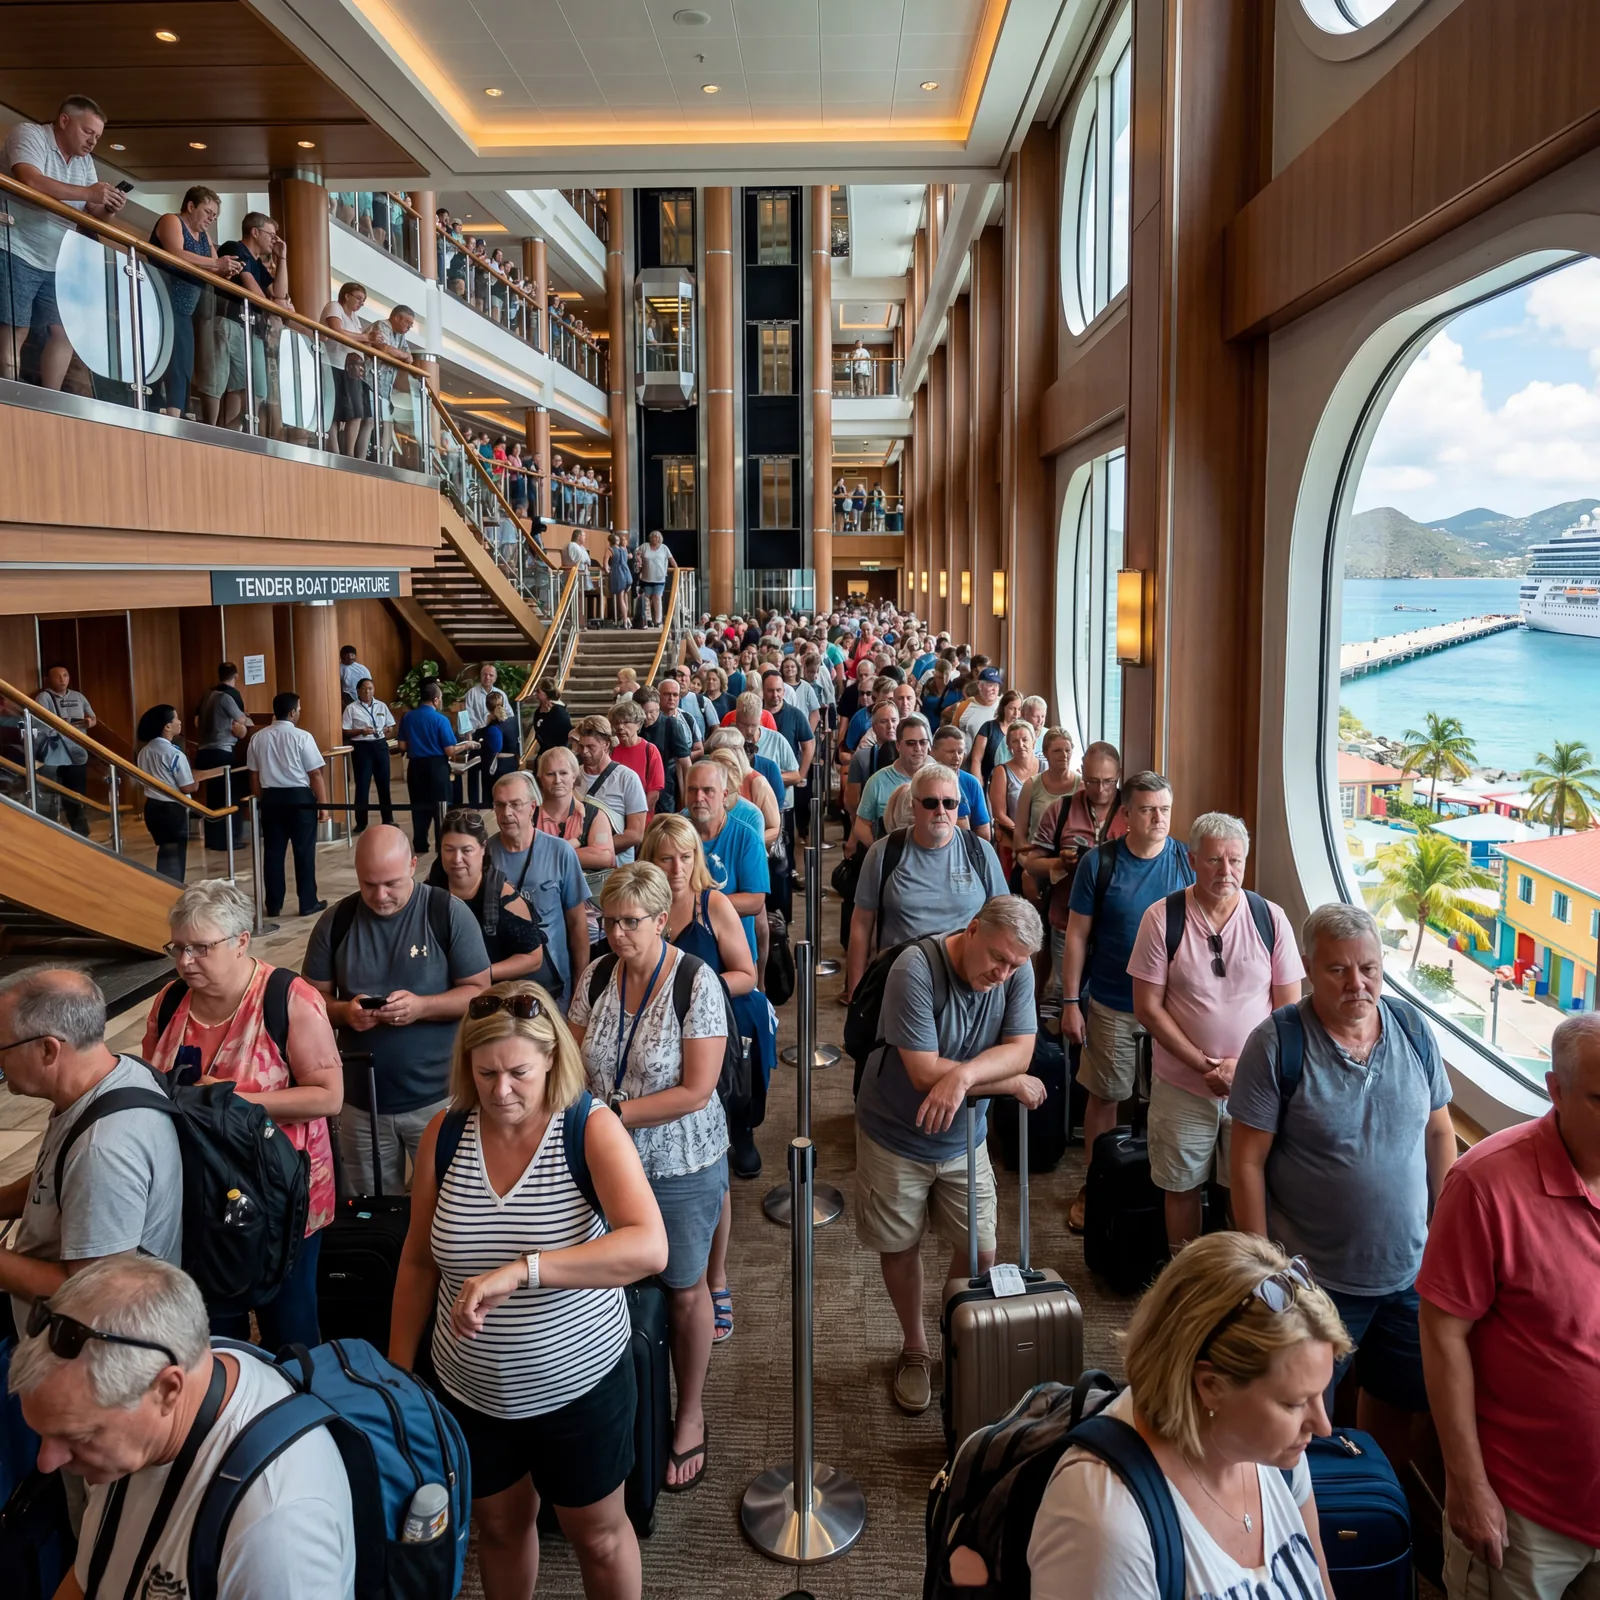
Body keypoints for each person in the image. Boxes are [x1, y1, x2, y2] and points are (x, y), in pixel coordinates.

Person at [388, 982, 666, 1600]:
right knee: (499, 1528)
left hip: (580, 1386)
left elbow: (649, 1247)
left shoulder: (588, 1128)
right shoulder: (446, 1133)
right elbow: (416, 1261)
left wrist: (524, 1268)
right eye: (484, 1073)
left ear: (551, 1060)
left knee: (597, 1535)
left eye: (518, 1072)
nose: (501, 1090)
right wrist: (398, 1371)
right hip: (472, 1388)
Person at [1231, 901, 1455, 1482]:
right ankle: (1311, 1516)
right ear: (1309, 967)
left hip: (1408, 1274)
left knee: (1398, 1399)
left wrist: (1444, 1233)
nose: (1358, 984)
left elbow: (1439, 1131)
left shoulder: (1412, 1029)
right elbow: (1247, 1162)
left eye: (1370, 969)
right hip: (1313, 1281)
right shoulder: (1277, 1045)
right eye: (1338, 970)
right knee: (1303, 1415)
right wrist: (1265, 1270)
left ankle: (1373, 1491)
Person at [11, 1256, 356, 1600]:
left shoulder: (275, 1526)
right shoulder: (181, 1378)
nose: (46, 1461)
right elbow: (89, 1578)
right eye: (44, 1434)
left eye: (76, 1437)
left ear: (167, 1390)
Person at [1024, 1232, 1344, 1600]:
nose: (1323, 1426)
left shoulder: (1279, 1454)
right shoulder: (1103, 1521)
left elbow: (1321, 1587)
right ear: (1210, 1385)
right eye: (1294, 1403)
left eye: (1320, 1393)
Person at [1418, 1013, 1600, 1600]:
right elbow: (1443, 1335)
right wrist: (1467, 1486)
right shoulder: (1485, 1185)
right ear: (1555, 1090)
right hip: (1524, 1516)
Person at [568, 864, 730, 1492]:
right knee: (605, 1284)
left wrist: (612, 1115)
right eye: (608, 921)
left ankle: (688, 1414)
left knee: (684, 1286)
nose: (616, 933)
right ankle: (623, 1399)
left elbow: (697, 1089)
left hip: (679, 1160)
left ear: (663, 921)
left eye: (630, 922)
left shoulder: (696, 981)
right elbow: (573, 1056)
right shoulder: (599, 974)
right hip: (607, 1160)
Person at [854, 898, 1044, 1414]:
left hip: (965, 1132)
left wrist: (962, 1076)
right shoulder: (914, 968)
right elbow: (920, 1070)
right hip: (894, 1131)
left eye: (1014, 966)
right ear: (973, 927)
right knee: (900, 1243)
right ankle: (915, 1346)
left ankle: (953, 1325)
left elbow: (1022, 1051)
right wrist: (1005, 1083)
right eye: (997, 958)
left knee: (982, 1249)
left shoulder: (1015, 969)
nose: (1001, 974)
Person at [142, 880, 343, 1346]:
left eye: (200, 948)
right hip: (203, 1199)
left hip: (281, 1200)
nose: (185, 961)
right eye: (178, 947)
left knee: (290, 1331)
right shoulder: (170, 1002)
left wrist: (232, 1101)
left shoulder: (288, 999)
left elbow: (328, 1097)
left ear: (241, 942)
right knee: (212, 1331)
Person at [1128, 814, 1304, 1256]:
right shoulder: (1162, 918)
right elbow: (1147, 1008)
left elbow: (1288, 1011)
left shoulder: (1270, 919)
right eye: (1214, 861)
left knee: (1244, 1188)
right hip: (1182, 1086)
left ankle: (1241, 1279)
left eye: (1235, 861)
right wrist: (1204, 1065)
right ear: (1191, 861)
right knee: (1181, 1186)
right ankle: (1186, 1279)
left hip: (1256, 1089)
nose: (1226, 871)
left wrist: (1239, 1070)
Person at [303, 826, 491, 1195]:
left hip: (439, 1097)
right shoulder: (336, 922)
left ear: (413, 865)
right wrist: (344, 1012)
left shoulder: (446, 913)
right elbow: (309, 1002)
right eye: (368, 884)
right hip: (361, 1102)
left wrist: (422, 1007)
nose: (380, 895)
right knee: (368, 1210)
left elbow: (479, 994)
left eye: (391, 883)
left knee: (447, 1200)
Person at [0, 970, 182, 1332]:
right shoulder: (117, 1073)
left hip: (87, 1362)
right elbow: (56, 1179)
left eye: (1, 1049)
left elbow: (94, 1294)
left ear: (48, 1049)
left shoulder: (105, 1148)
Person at [1059, 769, 1190, 1234]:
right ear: (1127, 815)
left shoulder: (1185, 862)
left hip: (1174, 1009)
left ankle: (1152, 1188)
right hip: (1113, 1001)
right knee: (1106, 1095)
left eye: (1165, 810)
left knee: (1165, 1101)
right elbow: (1076, 936)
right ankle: (1096, 1186)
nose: (1158, 818)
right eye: (1148, 810)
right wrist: (1071, 1001)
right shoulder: (1101, 863)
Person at [641, 813, 768, 1194]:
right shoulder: (643, 908)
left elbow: (746, 974)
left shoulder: (712, 904)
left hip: (721, 1013)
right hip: (660, 1015)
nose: (677, 868)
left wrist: (694, 993)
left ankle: (741, 1131)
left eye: (685, 856)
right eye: (666, 859)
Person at [847, 762, 1010, 1001]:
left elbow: (1003, 920)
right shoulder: (884, 853)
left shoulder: (980, 853)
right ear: (914, 805)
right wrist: (856, 991)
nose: (941, 811)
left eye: (949, 803)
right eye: (931, 803)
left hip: (966, 989)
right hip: (901, 986)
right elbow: (862, 924)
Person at [1, 96, 128, 389]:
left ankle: (49, 403)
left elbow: (92, 217)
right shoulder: (29, 134)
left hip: (58, 260)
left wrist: (108, 207)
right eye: (88, 132)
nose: (93, 141)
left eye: (97, 136)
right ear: (64, 121)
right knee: (15, 329)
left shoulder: (85, 163)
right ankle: (8, 401)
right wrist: (89, 193)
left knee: (65, 333)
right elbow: (29, 181)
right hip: (14, 246)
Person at [1025, 738, 1124, 991]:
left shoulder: (1132, 811)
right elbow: (1032, 863)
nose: (1100, 789)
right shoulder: (1061, 809)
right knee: (1069, 994)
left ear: (1119, 775)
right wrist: (1059, 862)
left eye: (1108, 782)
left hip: (1118, 927)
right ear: (1082, 771)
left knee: (1108, 998)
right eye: (1091, 781)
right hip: (1066, 922)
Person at [487, 771, 592, 1001]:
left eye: (516, 805)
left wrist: (580, 983)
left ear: (532, 807)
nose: (507, 814)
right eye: (500, 805)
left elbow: (577, 924)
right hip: (503, 986)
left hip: (553, 984)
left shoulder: (560, 852)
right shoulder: (485, 854)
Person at [427, 807, 549, 993]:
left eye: (466, 850)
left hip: (495, 996)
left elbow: (533, 958)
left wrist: (479, 974)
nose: (457, 859)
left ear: (483, 848)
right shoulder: (428, 892)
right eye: (449, 849)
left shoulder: (504, 896)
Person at [149, 185, 241, 417]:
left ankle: (175, 414)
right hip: (160, 302)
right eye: (208, 212)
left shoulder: (205, 237)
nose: (212, 218)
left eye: (215, 215)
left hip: (185, 310)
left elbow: (213, 266)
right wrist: (216, 264)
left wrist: (227, 270)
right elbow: (176, 253)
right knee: (161, 359)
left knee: (183, 363)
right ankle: (161, 410)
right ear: (191, 206)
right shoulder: (172, 220)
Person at [245, 691, 330, 918]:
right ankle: (308, 902)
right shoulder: (302, 737)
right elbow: (315, 775)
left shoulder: (258, 738)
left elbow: (253, 776)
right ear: (292, 712)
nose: (300, 712)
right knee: (304, 852)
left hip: (271, 799)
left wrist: (262, 799)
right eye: (299, 709)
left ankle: (273, 904)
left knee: (273, 853)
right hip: (300, 799)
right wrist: (324, 806)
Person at [684, 760, 770, 964]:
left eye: (708, 791)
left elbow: (755, 900)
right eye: (692, 790)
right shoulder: (674, 833)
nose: (699, 798)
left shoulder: (746, 837)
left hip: (734, 956)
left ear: (724, 795)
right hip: (686, 954)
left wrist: (697, 905)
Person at [216, 212, 291, 432]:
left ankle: (232, 432)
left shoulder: (258, 263)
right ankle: (220, 432)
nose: (274, 240)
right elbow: (257, 295)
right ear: (255, 232)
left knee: (258, 392)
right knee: (236, 389)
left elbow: (279, 294)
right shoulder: (235, 248)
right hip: (232, 322)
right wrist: (277, 307)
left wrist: (282, 258)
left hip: (252, 329)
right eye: (271, 234)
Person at [534, 746, 617, 910]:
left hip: (589, 910)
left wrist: (546, 853)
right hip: (541, 906)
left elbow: (605, 857)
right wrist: (576, 847)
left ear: (574, 776)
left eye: (563, 773)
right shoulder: (530, 816)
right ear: (540, 778)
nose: (557, 780)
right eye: (550, 774)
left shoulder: (594, 815)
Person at [398, 680, 475, 856]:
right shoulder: (441, 719)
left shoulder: (408, 717)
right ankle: (442, 845)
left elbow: (402, 746)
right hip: (437, 767)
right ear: (435, 700)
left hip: (415, 767)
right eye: (440, 698)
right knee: (440, 808)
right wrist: (466, 745)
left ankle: (420, 844)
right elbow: (449, 750)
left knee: (418, 807)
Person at [577, 714, 651, 868]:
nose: (584, 752)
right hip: (578, 866)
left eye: (591, 747)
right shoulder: (572, 776)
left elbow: (635, 834)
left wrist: (595, 850)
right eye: (581, 746)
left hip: (617, 868)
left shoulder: (627, 778)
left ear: (606, 745)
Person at [135, 703, 197, 883]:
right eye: (176, 718)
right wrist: (196, 783)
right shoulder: (173, 753)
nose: (179, 722)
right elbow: (186, 787)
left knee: (165, 852)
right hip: (172, 810)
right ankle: (172, 892)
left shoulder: (144, 752)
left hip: (152, 807)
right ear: (167, 726)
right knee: (175, 857)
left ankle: (164, 888)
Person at [195, 662, 253, 850]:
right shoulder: (227, 697)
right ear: (235, 676)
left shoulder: (206, 696)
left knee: (213, 799)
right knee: (230, 797)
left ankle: (212, 840)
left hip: (203, 752)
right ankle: (229, 840)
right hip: (221, 753)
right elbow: (242, 720)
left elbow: (196, 720)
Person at [853, 713, 933, 846]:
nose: (918, 748)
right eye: (911, 743)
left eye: (923, 742)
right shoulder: (877, 781)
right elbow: (861, 825)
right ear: (898, 746)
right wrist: (880, 852)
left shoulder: (941, 779)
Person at [35, 661, 95, 836]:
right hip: (54, 751)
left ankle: (79, 830)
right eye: (58, 676)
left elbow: (92, 717)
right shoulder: (44, 698)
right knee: (50, 790)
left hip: (77, 752)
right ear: (48, 679)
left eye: (66, 675)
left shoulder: (78, 696)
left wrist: (89, 721)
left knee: (76, 791)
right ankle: (49, 828)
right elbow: (40, 722)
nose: (62, 679)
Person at [321, 281, 376, 459]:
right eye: (359, 298)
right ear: (347, 296)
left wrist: (369, 339)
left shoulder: (355, 318)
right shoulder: (334, 307)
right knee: (336, 411)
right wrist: (365, 337)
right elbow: (336, 330)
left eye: (363, 300)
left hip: (352, 368)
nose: (361, 303)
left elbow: (359, 339)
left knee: (356, 412)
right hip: (333, 363)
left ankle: (350, 453)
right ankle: (335, 450)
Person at [342, 676, 397, 831]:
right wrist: (361, 731)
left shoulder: (381, 706)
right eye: (365, 688)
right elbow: (345, 730)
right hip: (362, 748)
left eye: (370, 688)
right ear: (358, 691)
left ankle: (388, 819)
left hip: (380, 745)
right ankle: (361, 822)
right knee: (362, 785)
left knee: (383, 783)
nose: (368, 691)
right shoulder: (351, 708)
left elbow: (391, 725)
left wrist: (387, 730)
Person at [987, 720, 1039, 880]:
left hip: (1042, 838)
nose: (1020, 744)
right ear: (1009, 746)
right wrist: (1022, 836)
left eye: (1025, 740)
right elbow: (999, 814)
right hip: (1013, 838)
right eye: (1015, 741)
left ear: (1034, 742)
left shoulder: (1046, 767)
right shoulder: (1002, 771)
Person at [930, 725, 993, 839]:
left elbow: (984, 833)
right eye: (950, 752)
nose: (957, 757)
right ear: (933, 751)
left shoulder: (971, 782)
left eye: (960, 752)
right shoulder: (922, 782)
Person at [608, 699, 665, 815]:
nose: (620, 727)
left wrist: (636, 815)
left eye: (625, 722)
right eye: (617, 723)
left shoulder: (650, 750)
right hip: (615, 817)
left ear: (638, 724)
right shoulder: (611, 751)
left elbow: (654, 793)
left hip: (642, 817)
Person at [637, 531, 675, 628]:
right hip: (646, 577)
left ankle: (658, 621)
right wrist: (639, 559)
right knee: (646, 599)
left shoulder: (664, 548)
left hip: (660, 578)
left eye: (657, 537)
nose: (655, 538)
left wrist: (676, 569)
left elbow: (671, 559)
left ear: (660, 539)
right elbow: (637, 553)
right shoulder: (645, 546)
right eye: (653, 537)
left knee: (657, 598)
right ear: (650, 538)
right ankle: (648, 619)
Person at [532, 678, 572, 759]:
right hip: (544, 753)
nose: (535, 694)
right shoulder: (538, 711)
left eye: (538, 691)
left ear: (546, 694)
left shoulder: (559, 712)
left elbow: (564, 737)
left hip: (558, 755)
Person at [606, 531, 634, 627]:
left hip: (618, 574)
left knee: (620, 598)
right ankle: (628, 619)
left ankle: (625, 620)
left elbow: (605, 564)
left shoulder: (610, 550)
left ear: (609, 541)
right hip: (627, 574)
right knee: (625, 597)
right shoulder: (623, 550)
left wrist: (608, 570)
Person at [462, 662, 501, 729]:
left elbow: (509, 714)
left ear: (495, 678)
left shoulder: (501, 694)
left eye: (491, 675)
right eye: (484, 674)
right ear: (480, 676)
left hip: (497, 730)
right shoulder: (472, 693)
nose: (487, 677)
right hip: (477, 731)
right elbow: (469, 715)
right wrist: (482, 727)